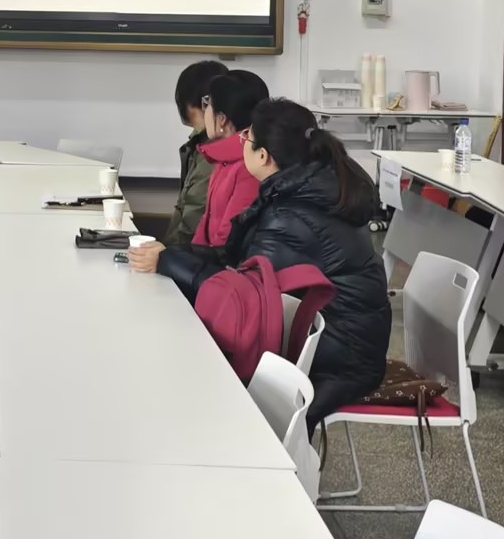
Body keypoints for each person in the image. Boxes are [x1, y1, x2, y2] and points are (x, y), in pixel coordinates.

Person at [158, 98, 391, 425]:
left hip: (339, 358)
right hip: (346, 340)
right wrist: (175, 256)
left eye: (246, 138)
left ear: (263, 156)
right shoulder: (312, 190)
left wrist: (169, 260)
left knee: (191, 359)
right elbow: (237, 261)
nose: (242, 143)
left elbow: (247, 293)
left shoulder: (291, 214)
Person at [130, 70, 268, 273]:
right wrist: (172, 257)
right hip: (201, 268)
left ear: (222, 119)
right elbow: (202, 234)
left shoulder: (248, 168)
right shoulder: (221, 159)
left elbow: (225, 249)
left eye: (208, 104)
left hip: (218, 277)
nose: (205, 112)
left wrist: (169, 258)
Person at [162, 59, 230, 246]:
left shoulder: (214, 152)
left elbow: (193, 218)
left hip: (191, 255)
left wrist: (165, 255)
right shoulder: (203, 145)